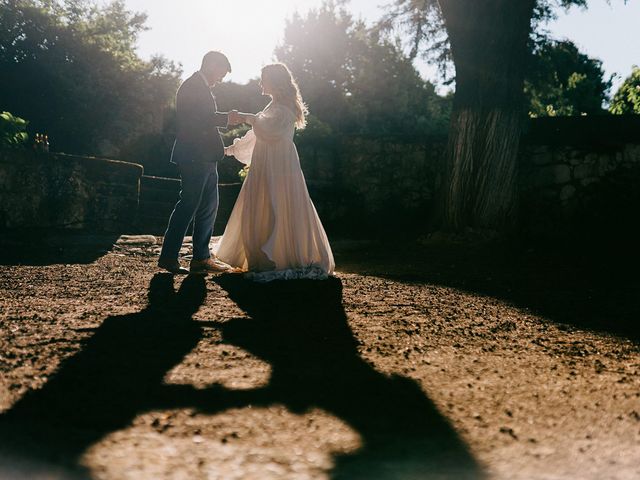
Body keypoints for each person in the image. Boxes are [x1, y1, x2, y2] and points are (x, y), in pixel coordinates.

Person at [216, 63, 335, 282]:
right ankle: (261, 253)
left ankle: (281, 254)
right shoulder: (273, 105)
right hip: (265, 162)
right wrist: (230, 149)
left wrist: (246, 117)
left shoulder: (286, 106)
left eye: (264, 79)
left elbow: (267, 129)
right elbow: (257, 134)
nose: (260, 83)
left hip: (279, 164)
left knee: (279, 202)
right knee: (261, 202)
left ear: (275, 81)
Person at [158, 51, 233, 274]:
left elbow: (204, 118)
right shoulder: (191, 86)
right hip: (194, 156)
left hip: (207, 157)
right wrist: (227, 118)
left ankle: (201, 258)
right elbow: (197, 120)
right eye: (221, 73)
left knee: (208, 208)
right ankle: (169, 257)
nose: (220, 79)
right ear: (211, 65)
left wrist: (224, 118)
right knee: (189, 205)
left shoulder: (201, 88)